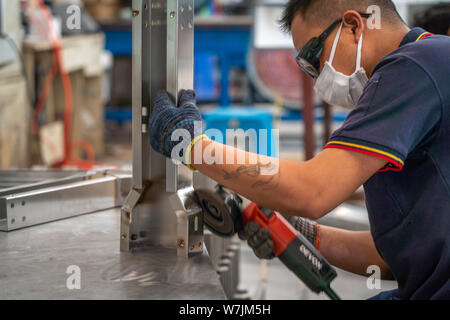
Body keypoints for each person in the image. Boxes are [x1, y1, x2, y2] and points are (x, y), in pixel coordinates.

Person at [149, 0, 450, 300]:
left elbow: (314, 190)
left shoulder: (415, 66)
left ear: (354, 26)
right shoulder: (423, 68)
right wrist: (304, 234)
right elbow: (396, 258)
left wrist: (191, 146)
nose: (317, 75)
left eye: (313, 56)